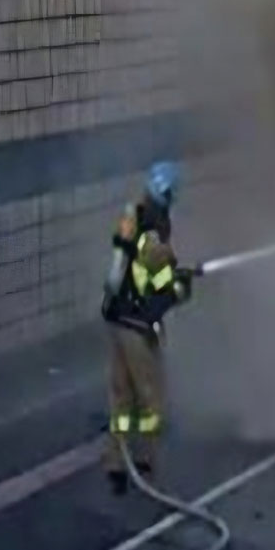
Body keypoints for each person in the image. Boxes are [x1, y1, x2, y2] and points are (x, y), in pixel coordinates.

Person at [100, 162, 194, 495]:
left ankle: (116, 464)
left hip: (116, 319)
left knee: (121, 396)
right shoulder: (155, 237)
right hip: (136, 326)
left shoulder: (132, 217)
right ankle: (145, 462)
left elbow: (122, 273)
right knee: (151, 397)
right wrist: (182, 286)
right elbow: (163, 289)